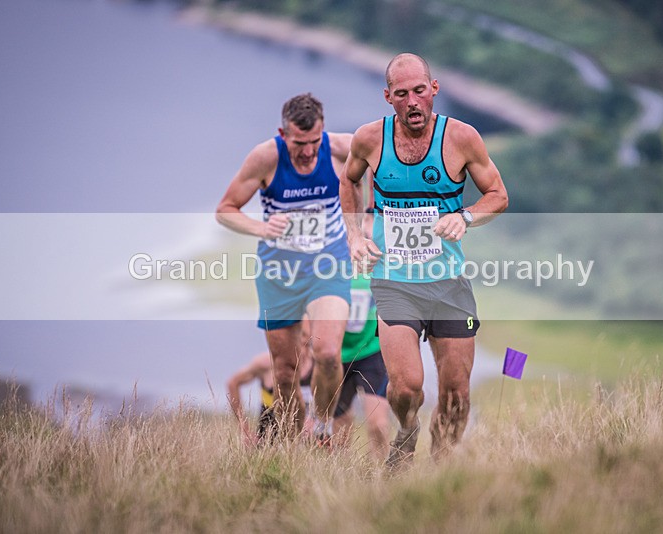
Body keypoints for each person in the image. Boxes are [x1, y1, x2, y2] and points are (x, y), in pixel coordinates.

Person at [339, 53, 509, 468]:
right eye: (402, 94)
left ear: (434, 90)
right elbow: (350, 178)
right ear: (388, 97)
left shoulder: (461, 138)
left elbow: (499, 196)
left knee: (456, 394)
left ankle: (441, 466)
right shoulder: (369, 139)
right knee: (407, 387)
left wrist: (464, 217)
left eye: (419, 91)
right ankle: (408, 428)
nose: (413, 101)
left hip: (448, 282)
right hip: (394, 280)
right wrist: (355, 234)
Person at [216, 93, 351, 442]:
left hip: (328, 264)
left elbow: (383, 162)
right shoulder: (265, 158)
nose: (307, 152)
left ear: (323, 131)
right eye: (298, 143)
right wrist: (261, 228)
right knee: (286, 372)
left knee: (327, 352)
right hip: (280, 274)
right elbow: (226, 209)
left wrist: (362, 220)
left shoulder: (340, 148)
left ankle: (322, 427)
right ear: (282, 132)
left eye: (313, 142)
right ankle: (292, 445)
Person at [332, 211, 391, 459]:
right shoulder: (330, 268)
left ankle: (383, 473)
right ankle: (338, 475)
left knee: (377, 424)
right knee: (340, 426)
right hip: (338, 354)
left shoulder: (381, 263)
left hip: (371, 353)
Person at [226, 317, 315, 446]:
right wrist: (244, 432)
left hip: (307, 446)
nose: (298, 339)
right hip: (268, 444)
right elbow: (233, 383)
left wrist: (317, 424)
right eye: (293, 333)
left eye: (303, 334)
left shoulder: (320, 365)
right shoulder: (267, 363)